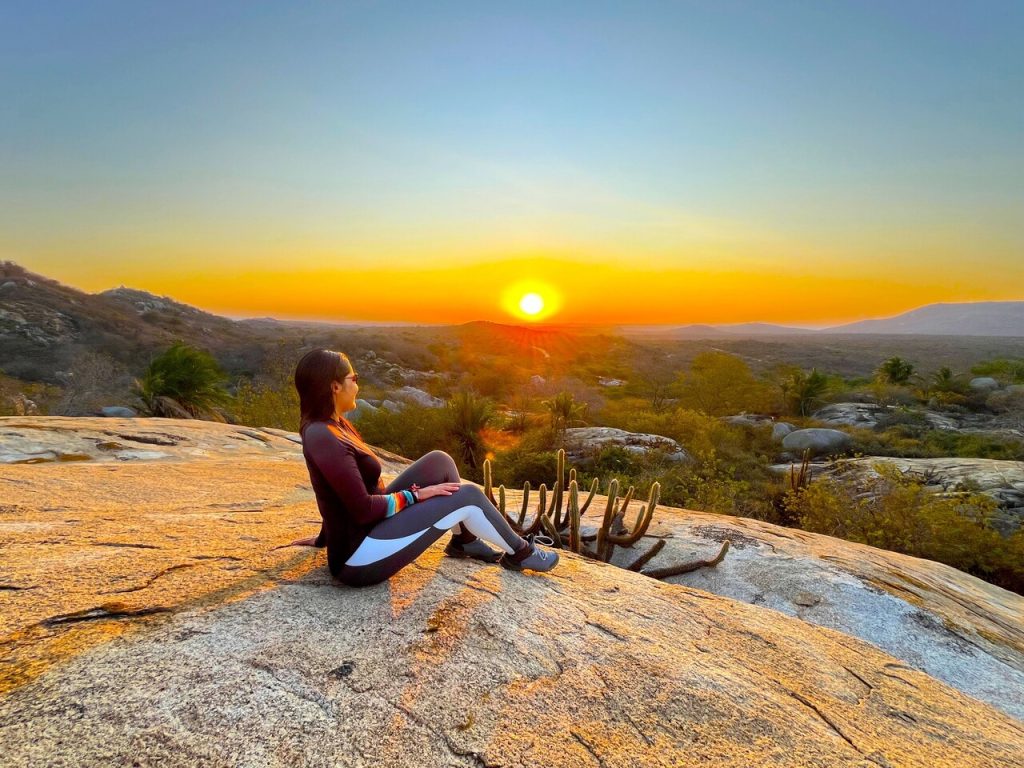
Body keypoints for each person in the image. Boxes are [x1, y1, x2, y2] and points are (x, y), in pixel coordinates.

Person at [289, 349, 559, 587]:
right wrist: (416, 496)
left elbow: (335, 493)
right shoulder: (322, 435)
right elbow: (361, 509)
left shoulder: (335, 425)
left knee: (439, 461)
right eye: (354, 379)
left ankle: (464, 541)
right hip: (358, 559)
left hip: (368, 531)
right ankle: (522, 553)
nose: (358, 386)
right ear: (335, 386)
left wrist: (325, 537)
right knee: (468, 496)